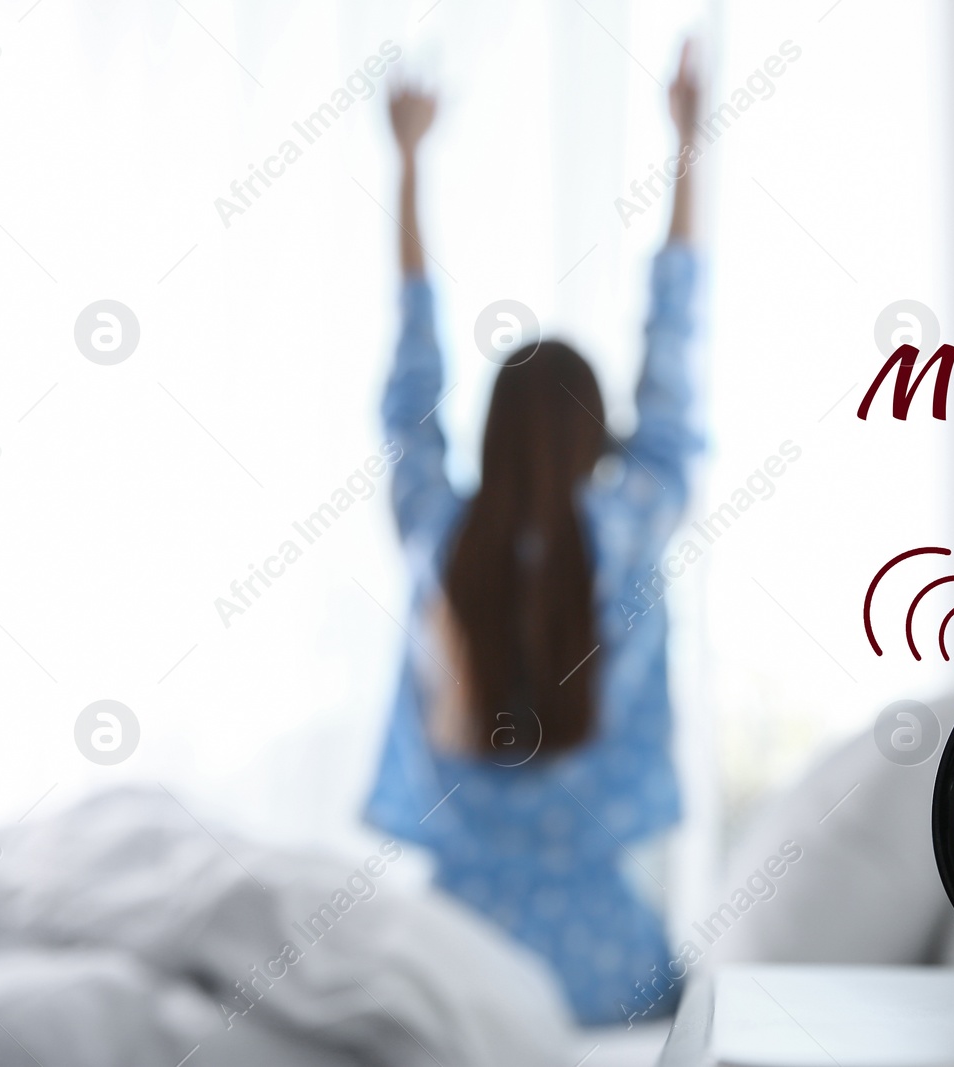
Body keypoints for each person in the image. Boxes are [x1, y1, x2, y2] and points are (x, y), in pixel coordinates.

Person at [365, 46, 703, 1026]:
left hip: (450, 962)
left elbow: (409, 379)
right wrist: (687, 146)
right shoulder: (632, 526)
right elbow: (675, 356)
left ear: (491, 428)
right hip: (615, 966)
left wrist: (408, 164)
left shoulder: (440, 534)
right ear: (600, 432)